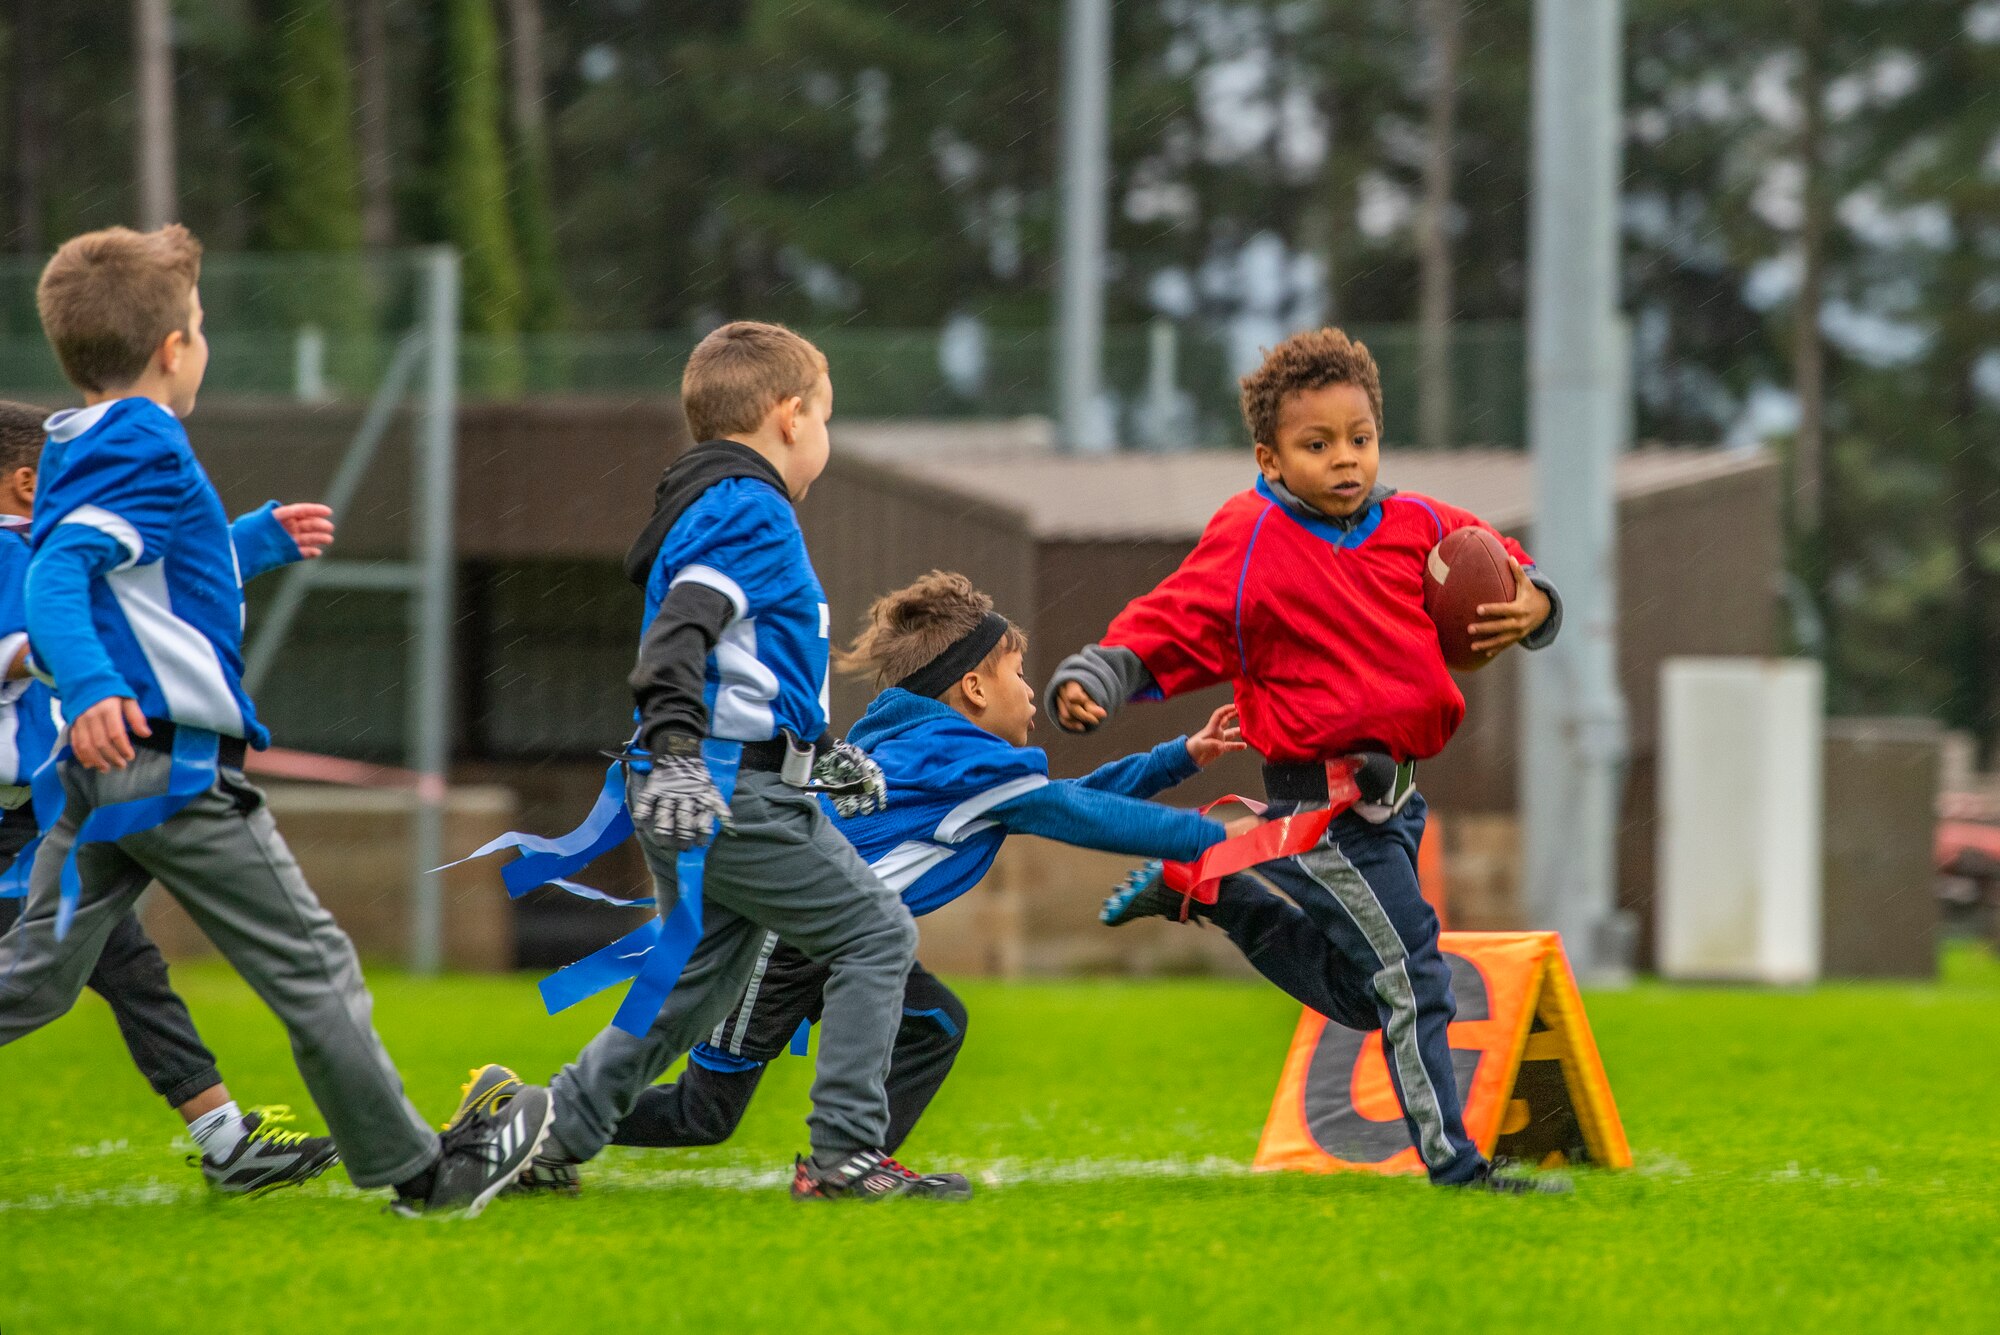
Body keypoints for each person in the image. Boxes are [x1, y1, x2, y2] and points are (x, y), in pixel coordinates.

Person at [0, 226, 550, 1218]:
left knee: (31, 979)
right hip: (169, 773)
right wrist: (86, 691)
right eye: (200, 327)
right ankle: (422, 1174)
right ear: (173, 350)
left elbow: (137, 581)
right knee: (316, 970)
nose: (202, 343)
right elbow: (58, 573)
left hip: (100, 785)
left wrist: (240, 543)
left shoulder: (75, 443)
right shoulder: (145, 436)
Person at [1047, 326, 1568, 1194]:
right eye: (1316, 444)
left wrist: (1537, 603)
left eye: (1359, 438)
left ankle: (1210, 887)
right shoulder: (1250, 537)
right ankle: (1460, 1171)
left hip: (1396, 805)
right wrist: (1096, 671)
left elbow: (1511, 568)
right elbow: (1165, 623)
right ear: (1270, 455)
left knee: (1375, 995)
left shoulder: (1422, 525)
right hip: (1316, 809)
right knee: (1415, 970)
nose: (1345, 460)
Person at [524, 571, 1257, 1184]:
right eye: (1019, 672)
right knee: (701, 1114)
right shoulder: (962, 762)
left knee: (935, 1023)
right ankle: (532, 1115)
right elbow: (1074, 812)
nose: (1033, 691)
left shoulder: (920, 742)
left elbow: (1064, 798)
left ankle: (855, 1163)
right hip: (781, 939)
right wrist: (1214, 835)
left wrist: (1178, 759)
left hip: (832, 937)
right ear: (973, 686)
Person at [511, 321, 961, 1202]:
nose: (825, 437)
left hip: (719, 778)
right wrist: (681, 749)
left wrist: (818, 755)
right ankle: (843, 1157)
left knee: (690, 986)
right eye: (826, 418)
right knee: (875, 933)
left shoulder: (716, 502)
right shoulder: (750, 506)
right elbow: (682, 633)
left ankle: (551, 1133)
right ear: (791, 417)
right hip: (721, 787)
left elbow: (744, 665)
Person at [0, 400, 339, 1194]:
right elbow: (85, 611)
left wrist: (247, 544)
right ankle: (226, 1141)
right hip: (16, 822)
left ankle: (226, 1140)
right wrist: (45, 654)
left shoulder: (40, 546)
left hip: (40, 816)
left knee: (128, 966)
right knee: (68, 976)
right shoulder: (19, 553)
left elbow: (146, 585)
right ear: (26, 482)